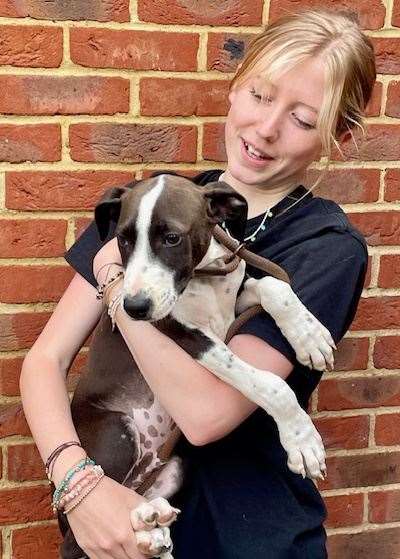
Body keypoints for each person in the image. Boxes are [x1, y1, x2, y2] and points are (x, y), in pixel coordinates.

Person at [20, 8, 375, 559]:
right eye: (259, 95)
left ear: (339, 135)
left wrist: (116, 282)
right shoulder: (148, 207)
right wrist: (77, 482)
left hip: (247, 538)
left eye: (303, 119)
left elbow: (206, 416)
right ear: (234, 90)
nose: (266, 128)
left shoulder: (327, 247)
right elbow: (44, 360)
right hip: (126, 527)